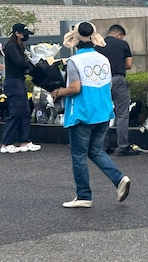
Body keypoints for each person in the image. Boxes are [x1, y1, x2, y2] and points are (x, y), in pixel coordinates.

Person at [51, 21, 131, 208]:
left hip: (83, 113)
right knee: (95, 151)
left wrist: (57, 92)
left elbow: (75, 88)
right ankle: (119, 179)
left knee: (79, 155)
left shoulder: (74, 61)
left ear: (76, 39)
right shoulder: (103, 59)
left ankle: (83, 195)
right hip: (103, 112)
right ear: (94, 38)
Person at [95, 24, 136, 156]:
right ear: (119, 35)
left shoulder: (97, 46)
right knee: (122, 114)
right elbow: (129, 64)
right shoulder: (122, 44)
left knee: (103, 113)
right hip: (118, 80)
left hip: (102, 82)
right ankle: (123, 146)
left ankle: (103, 146)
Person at [0, 23, 41, 154]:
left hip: (18, 81)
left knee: (24, 112)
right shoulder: (11, 46)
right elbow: (19, 63)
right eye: (24, 33)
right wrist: (31, 63)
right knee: (16, 112)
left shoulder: (18, 46)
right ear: (17, 33)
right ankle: (6, 143)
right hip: (13, 83)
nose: (26, 36)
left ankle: (25, 141)